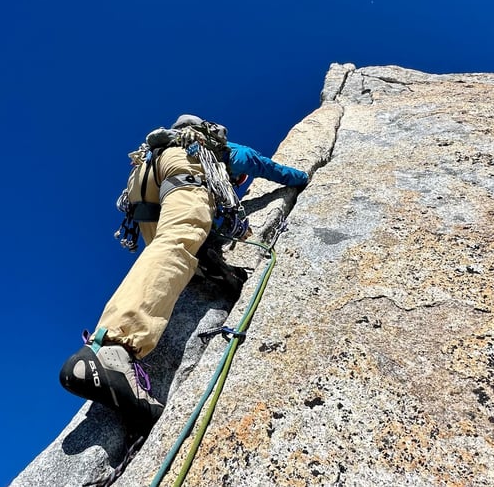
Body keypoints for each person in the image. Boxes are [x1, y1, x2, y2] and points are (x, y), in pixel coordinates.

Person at [59, 114, 308, 434]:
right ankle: (113, 351)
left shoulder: (160, 147)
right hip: (182, 170)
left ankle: (202, 265)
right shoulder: (222, 151)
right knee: (180, 239)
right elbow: (265, 165)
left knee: (168, 251)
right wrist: (305, 177)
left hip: (142, 184)